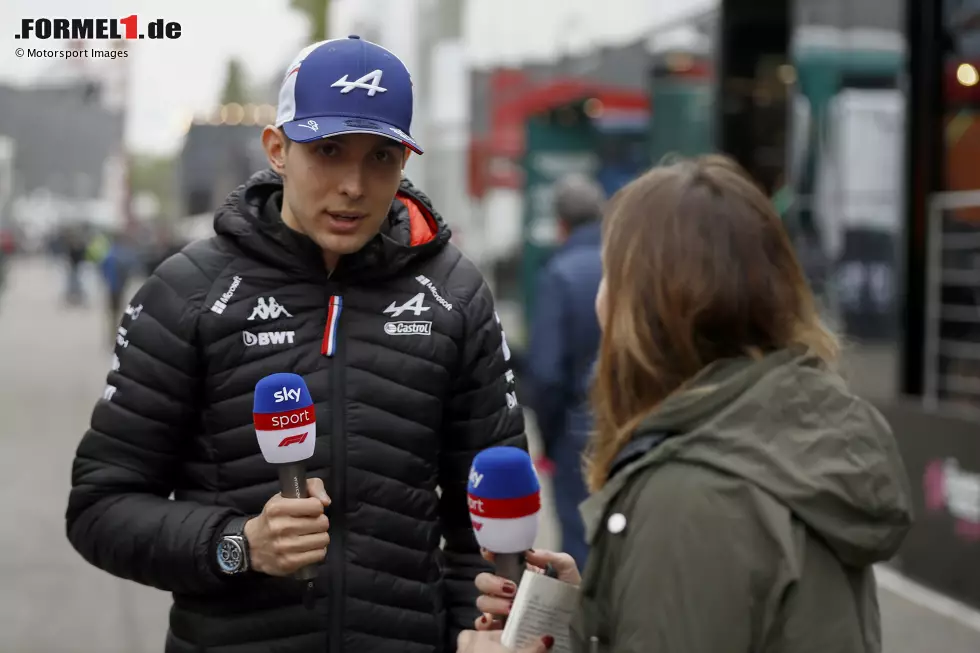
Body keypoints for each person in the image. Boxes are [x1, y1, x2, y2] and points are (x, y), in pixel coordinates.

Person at [66, 35, 525, 653]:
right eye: (329, 151)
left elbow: (483, 529)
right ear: (277, 150)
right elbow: (100, 508)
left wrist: (479, 631)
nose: (354, 186)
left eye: (382, 157)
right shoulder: (188, 293)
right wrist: (237, 544)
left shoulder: (455, 294)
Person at [459, 154, 913, 652]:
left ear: (652, 307)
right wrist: (594, 610)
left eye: (612, 274)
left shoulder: (691, 497)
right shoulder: (792, 431)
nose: (600, 300)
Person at [524, 173, 605, 570]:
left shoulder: (559, 274)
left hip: (578, 432)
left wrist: (552, 437)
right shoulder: (628, 263)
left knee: (579, 541)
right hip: (635, 425)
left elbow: (546, 373)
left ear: (561, 224)